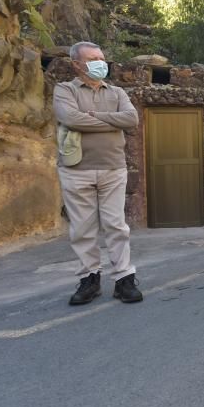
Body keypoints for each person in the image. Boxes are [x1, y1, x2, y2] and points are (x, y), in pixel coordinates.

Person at [53, 41, 143, 305]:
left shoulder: (116, 92)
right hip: (75, 169)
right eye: (92, 58)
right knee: (82, 228)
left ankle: (123, 279)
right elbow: (70, 119)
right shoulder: (64, 89)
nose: (100, 63)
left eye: (101, 58)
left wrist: (92, 115)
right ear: (77, 64)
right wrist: (109, 121)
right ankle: (89, 278)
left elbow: (132, 120)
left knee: (116, 225)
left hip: (113, 167)